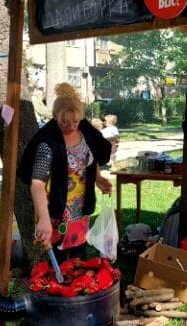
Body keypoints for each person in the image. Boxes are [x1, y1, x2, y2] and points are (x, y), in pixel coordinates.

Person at [18, 83, 113, 262]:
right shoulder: (47, 143)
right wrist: (44, 219)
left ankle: (80, 289)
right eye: (64, 121)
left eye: (75, 122)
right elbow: (37, 183)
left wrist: (98, 178)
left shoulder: (85, 133)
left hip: (81, 208)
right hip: (57, 210)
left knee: (80, 256)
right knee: (59, 259)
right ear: (55, 117)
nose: (70, 126)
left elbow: (90, 159)